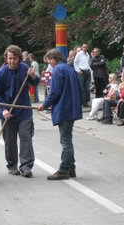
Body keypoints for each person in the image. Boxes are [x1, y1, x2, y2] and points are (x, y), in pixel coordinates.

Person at [0, 45, 40, 178]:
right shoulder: (1, 73)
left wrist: (33, 76)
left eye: (14, 58)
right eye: (10, 58)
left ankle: (26, 166)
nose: (12, 61)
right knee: (10, 140)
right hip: (8, 112)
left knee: (26, 137)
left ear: (19, 59)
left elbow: (35, 83)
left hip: (24, 111)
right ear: (6, 58)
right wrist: (3, 110)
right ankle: (12, 165)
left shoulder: (25, 69)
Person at [38, 48, 84, 180]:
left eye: (49, 60)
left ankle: (64, 169)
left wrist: (45, 104)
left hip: (64, 108)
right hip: (71, 108)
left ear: (55, 58)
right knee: (68, 138)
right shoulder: (71, 69)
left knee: (65, 141)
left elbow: (55, 91)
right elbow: (81, 90)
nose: (49, 64)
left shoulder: (58, 69)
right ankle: (71, 168)